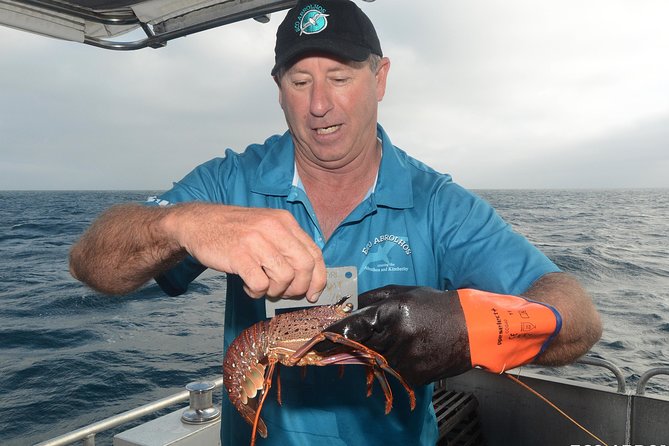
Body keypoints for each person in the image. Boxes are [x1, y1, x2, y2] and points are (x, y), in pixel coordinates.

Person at [69, 0, 602, 444]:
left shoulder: (439, 203)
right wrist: (181, 223)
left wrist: (472, 327)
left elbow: (579, 319)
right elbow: (92, 264)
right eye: (300, 81)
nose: (319, 104)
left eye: (340, 77)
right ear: (278, 87)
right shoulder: (231, 181)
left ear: (380, 77)